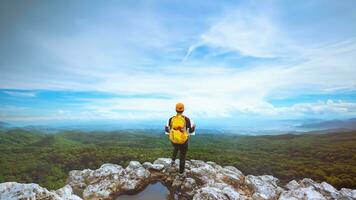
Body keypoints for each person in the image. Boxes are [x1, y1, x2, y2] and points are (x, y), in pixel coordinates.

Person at [165, 103, 195, 175]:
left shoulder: (171, 119)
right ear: (183, 110)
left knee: (176, 147)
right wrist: (193, 127)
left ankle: (173, 161)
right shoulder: (186, 119)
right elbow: (190, 131)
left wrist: (166, 128)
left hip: (174, 140)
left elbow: (167, 130)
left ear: (176, 110)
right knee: (182, 156)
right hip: (183, 141)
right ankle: (181, 173)